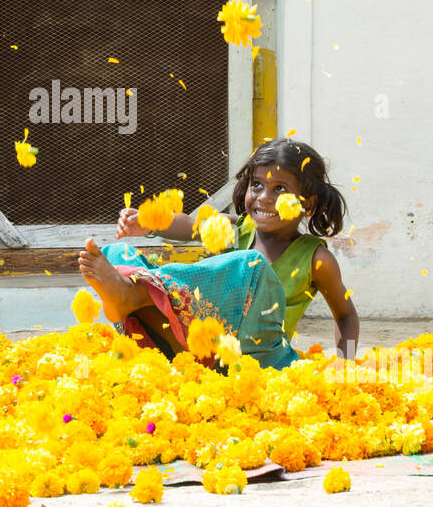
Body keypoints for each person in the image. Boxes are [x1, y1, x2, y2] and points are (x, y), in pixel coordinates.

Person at [77, 138, 359, 368]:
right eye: (257, 184)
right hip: (198, 348)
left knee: (251, 265)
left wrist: (344, 365)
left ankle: (132, 292)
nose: (263, 197)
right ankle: (128, 298)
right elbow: (189, 225)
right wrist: (150, 220)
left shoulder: (316, 259)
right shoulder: (237, 230)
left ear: (307, 204)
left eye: (280, 189)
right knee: (118, 253)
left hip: (255, 361)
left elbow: (346, 315)